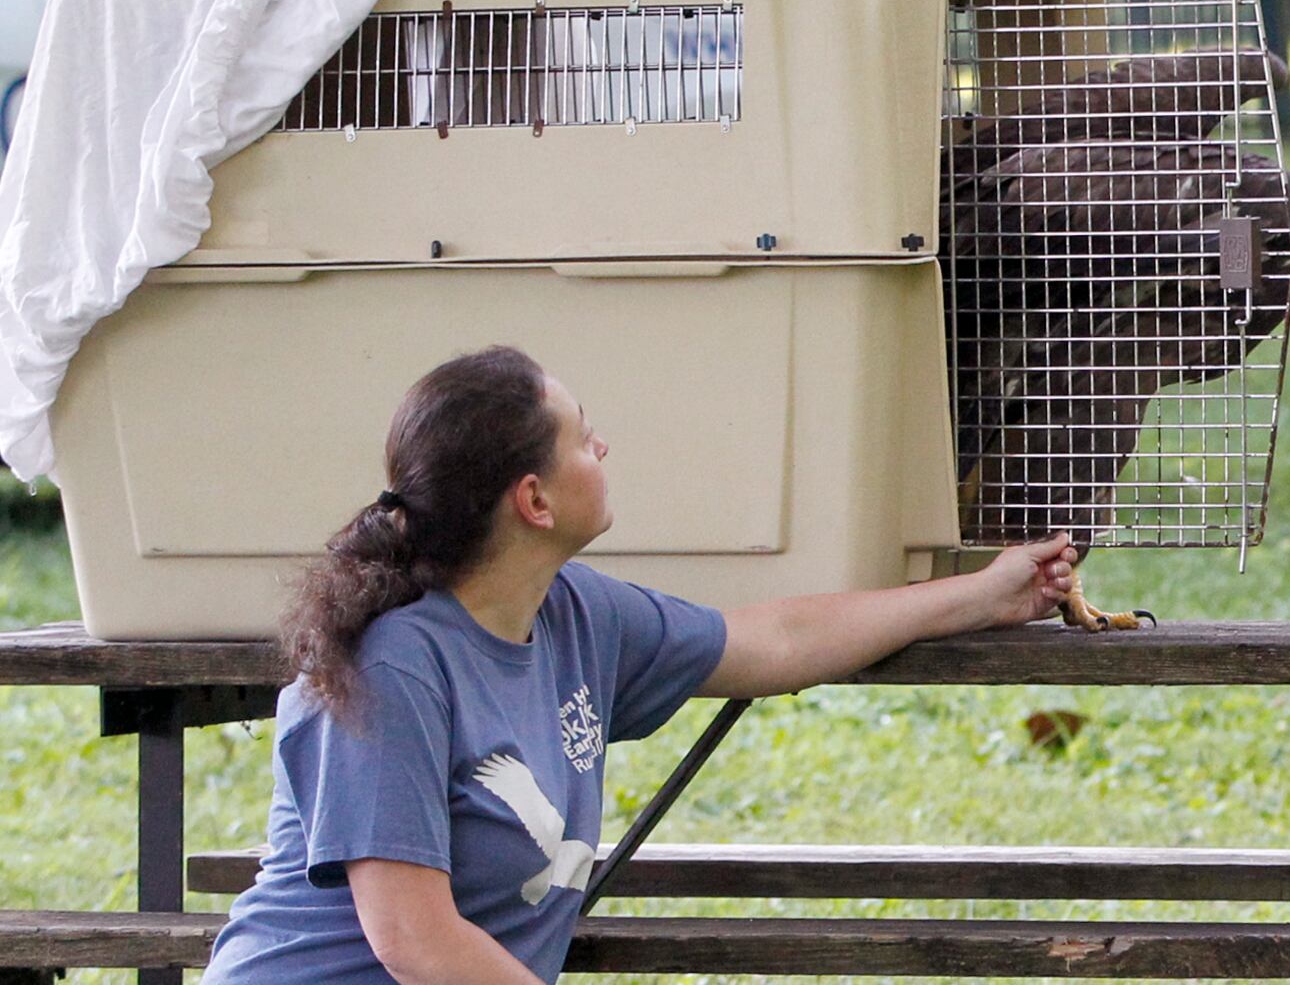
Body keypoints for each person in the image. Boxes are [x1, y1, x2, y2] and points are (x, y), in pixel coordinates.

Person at [201, 344, 1078, 984]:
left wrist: (981, 596)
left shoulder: (577, 612)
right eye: (584, 438)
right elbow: (416, 943)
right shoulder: (397, 668)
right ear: (533, 500)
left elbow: (774, 640)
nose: (605, 450)